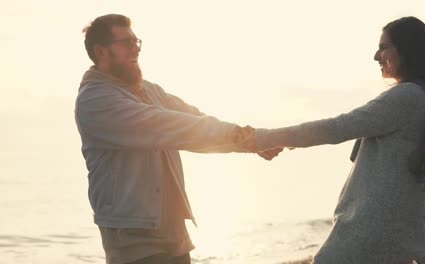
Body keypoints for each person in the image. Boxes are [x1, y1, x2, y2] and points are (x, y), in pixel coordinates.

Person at [241, 17, 425, 263]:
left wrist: (263, 137)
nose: (376, 56)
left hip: (373, 229)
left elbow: (336, 128)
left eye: (384, 47)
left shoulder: (407, 97)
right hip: (398, 228)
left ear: (408, 50)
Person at [75, 14, 282, 264]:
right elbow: (172, 126)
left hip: (173, 235)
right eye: (126, 43)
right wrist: (241, 136)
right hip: (133, 239)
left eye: (136, 41)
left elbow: (194, 121)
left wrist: (249, 143)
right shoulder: (95, 101)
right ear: (101, 51)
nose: (135, 49)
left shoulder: (149, 90)